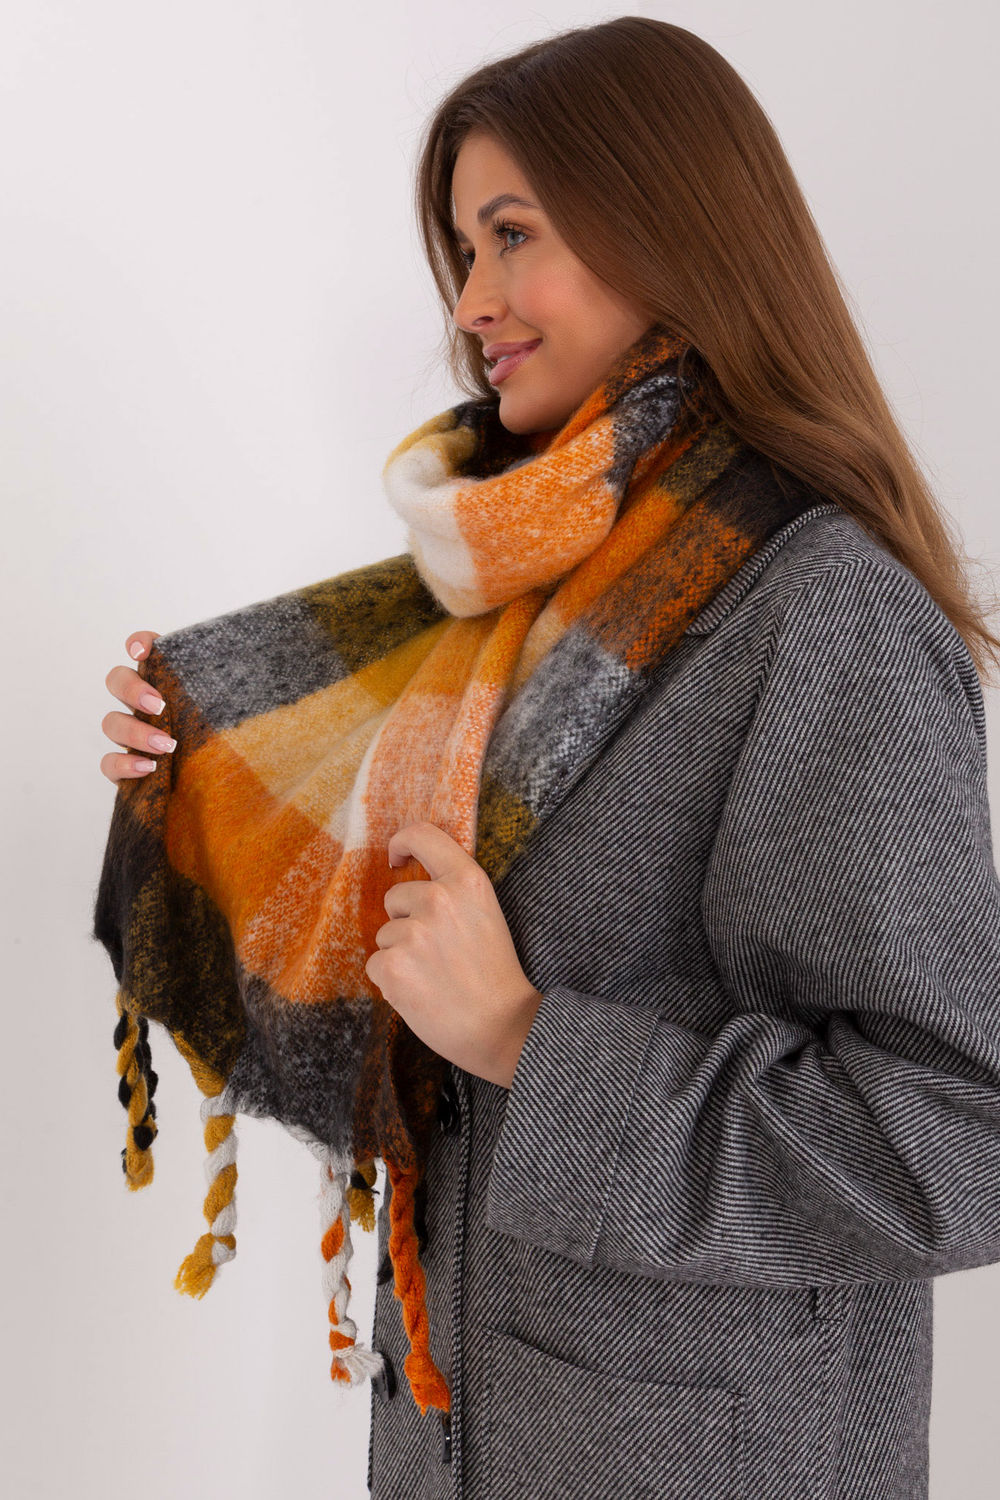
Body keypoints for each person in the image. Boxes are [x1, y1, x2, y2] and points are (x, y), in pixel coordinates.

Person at [95, 17, 1000, 1500]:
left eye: (512, 235)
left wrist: (529, 1043)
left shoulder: (819, 610)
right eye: (464, 249)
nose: (471, 302)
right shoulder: (512, 609)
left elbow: (958, 1133)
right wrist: (218, 766)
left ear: (670, 228)